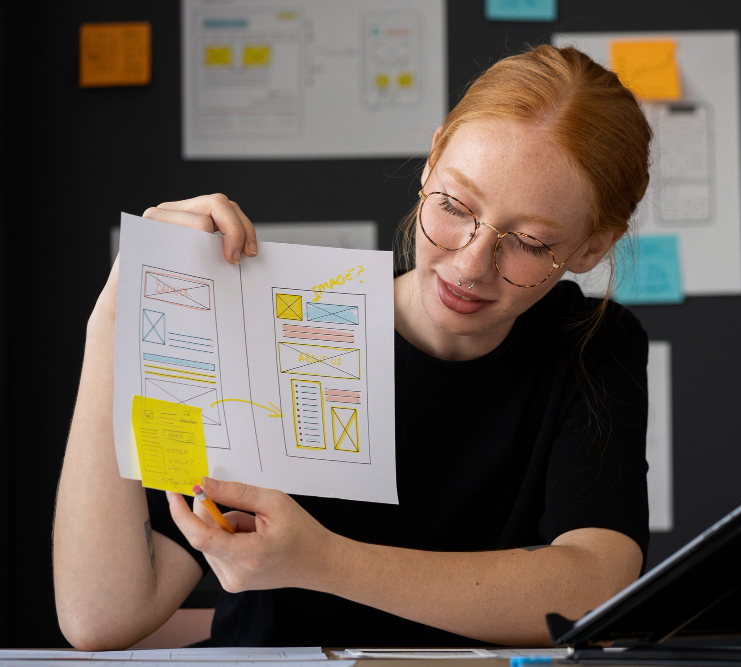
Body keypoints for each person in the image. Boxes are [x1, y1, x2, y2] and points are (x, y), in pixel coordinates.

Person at [53, 44, 653, 650]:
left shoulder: (592, 344)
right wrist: (113, 319)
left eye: (528, 242)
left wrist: (321, 561)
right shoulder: (288, 318)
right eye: (453, 205)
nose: (471, 265)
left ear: (590, 248)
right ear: (432, 160)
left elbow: (594, 587)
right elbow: (102, 618)